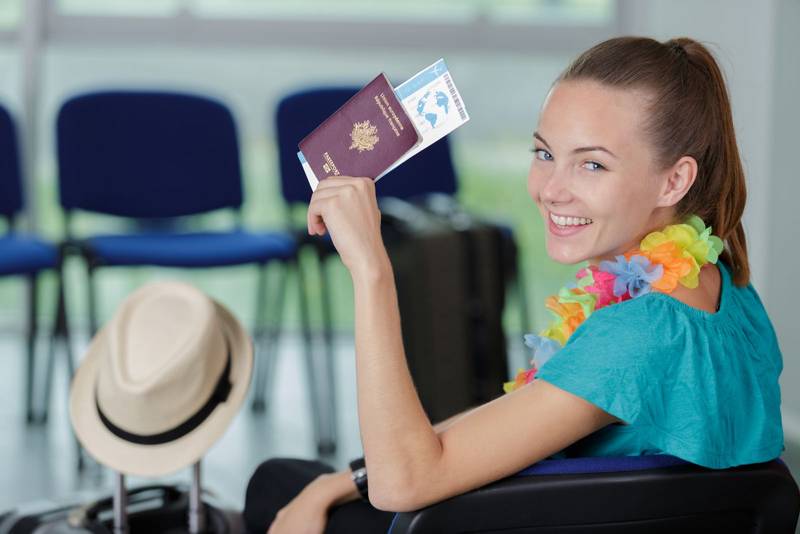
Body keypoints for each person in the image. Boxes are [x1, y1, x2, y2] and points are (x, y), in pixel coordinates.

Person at [243, 36, 785, 534]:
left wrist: (371, 271)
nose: (551, 190)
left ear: (675, 180)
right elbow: (527, 413)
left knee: (277, 484)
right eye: (545, 154)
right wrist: (343, 481)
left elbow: (401, 484)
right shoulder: (723, 287)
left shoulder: (637, 333)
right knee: (310, 484)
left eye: (592, 165)